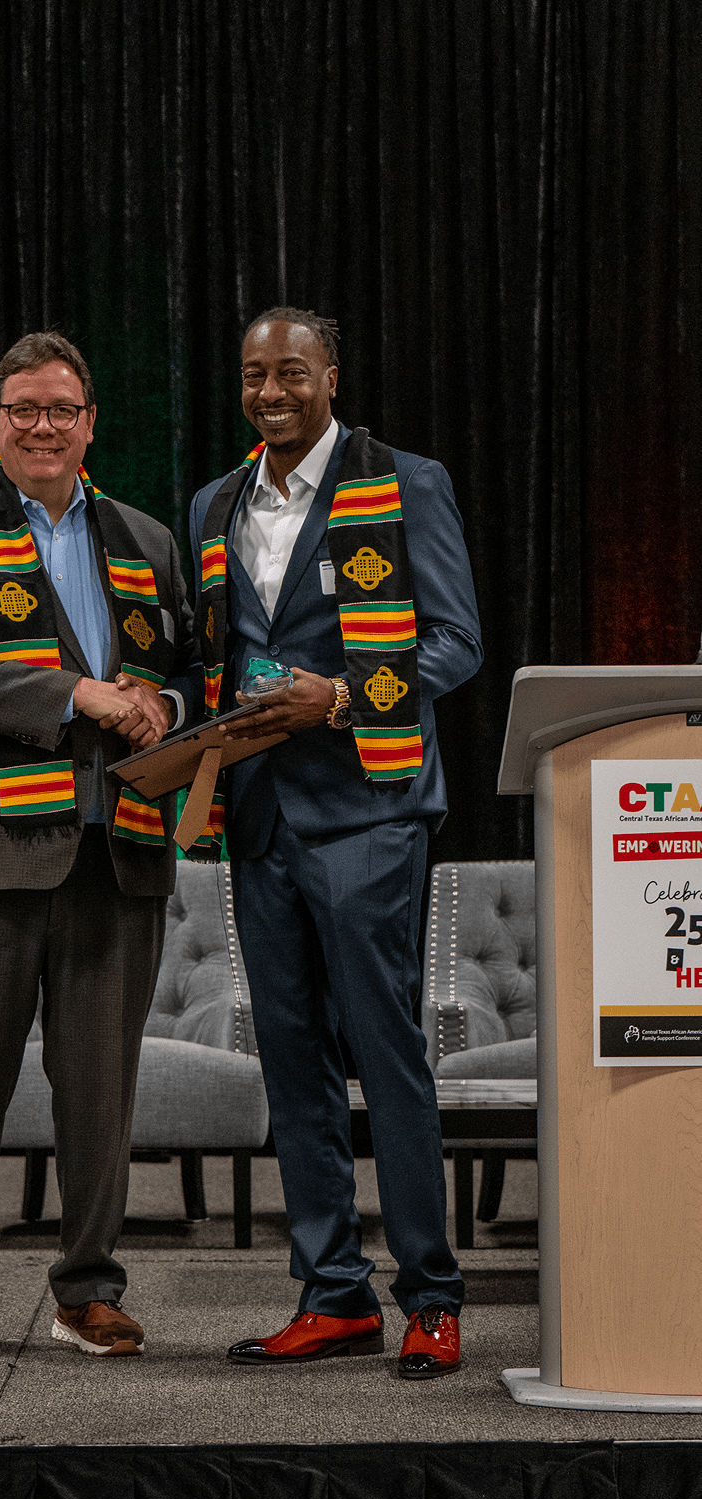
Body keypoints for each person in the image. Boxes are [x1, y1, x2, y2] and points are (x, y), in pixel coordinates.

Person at [0, 330, 200, 1362]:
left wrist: (164, 697)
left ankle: (89, 1287)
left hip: (119, 847)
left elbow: (190, 665)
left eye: (62, 409)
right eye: (23, 408)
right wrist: (81, 693)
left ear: (91, 422)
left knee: (102, 1090)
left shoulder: (146, 538)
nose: (43, 427)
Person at [188, 308, 483, 1378]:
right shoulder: (214, 501)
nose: (273, 391)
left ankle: (433, 1297)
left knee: (386, 1055)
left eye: (293, 372)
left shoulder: (404, 480)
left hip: (369, 808)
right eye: (255, 374)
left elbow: (456, 641)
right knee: (295, 1065)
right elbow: (219, 655)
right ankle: (332, 1293)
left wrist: (346, 699)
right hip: (257, 816)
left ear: (331, 375)